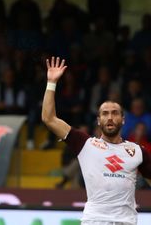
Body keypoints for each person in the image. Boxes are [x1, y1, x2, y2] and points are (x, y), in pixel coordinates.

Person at [42, 56, 151, 225]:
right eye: (105, 114)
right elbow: (49, 119)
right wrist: (51, 83)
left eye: (114, 113)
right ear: (98, 120)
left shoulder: (137, 151)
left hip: (127, 222)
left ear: (123, 120)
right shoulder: (85, 143)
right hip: (95, 220)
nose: (109, 117)